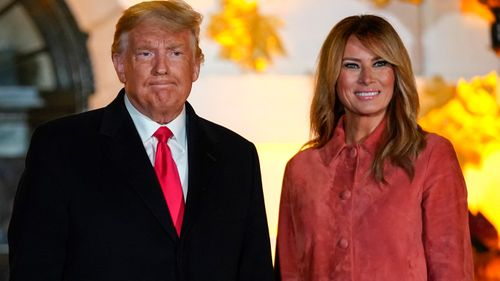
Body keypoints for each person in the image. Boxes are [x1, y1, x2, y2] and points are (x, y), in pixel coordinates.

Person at [8, 1, 274, 280]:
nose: (161, 68)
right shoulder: (60, 147)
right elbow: (33, 269)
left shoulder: (237, 156)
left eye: (175, 53)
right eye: (146, 53)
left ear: (195, 65)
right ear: (120, 65)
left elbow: (255, 271)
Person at [275, 15, 474, 281]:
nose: (367, 78)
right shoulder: (301, 170)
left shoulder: (431, 157)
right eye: (352, 65)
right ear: (333, 76)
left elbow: (452, 271)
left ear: (396, 72)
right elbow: (289, 273)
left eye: (380, 63)